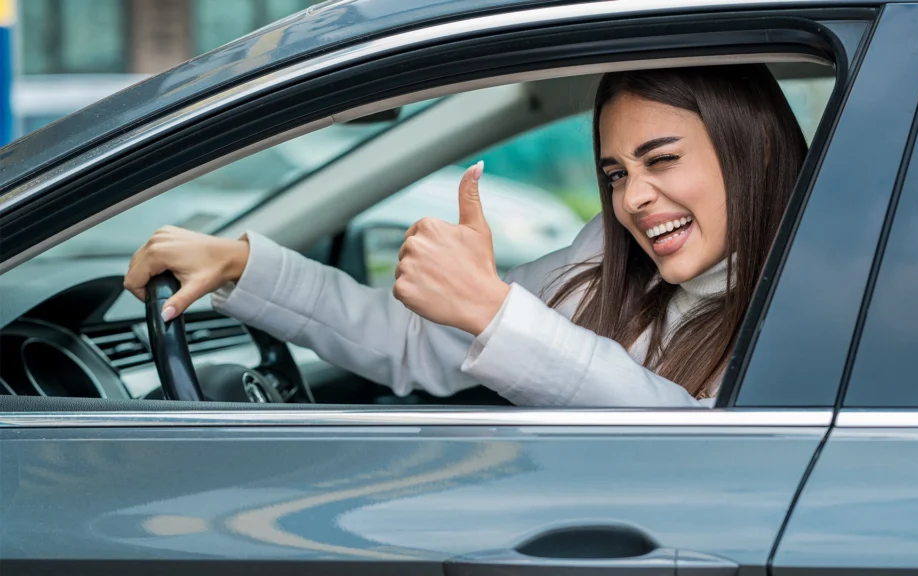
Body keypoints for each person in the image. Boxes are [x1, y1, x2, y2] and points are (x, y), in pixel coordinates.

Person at [124, 64, 807, 408]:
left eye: (660, 162)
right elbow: (410, 340)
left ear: (758, 153)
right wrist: (244, 267)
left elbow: (696, 443)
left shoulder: (838, 297)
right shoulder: (605, 259)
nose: (633, 197)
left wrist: (492, 311)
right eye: (615, 172)